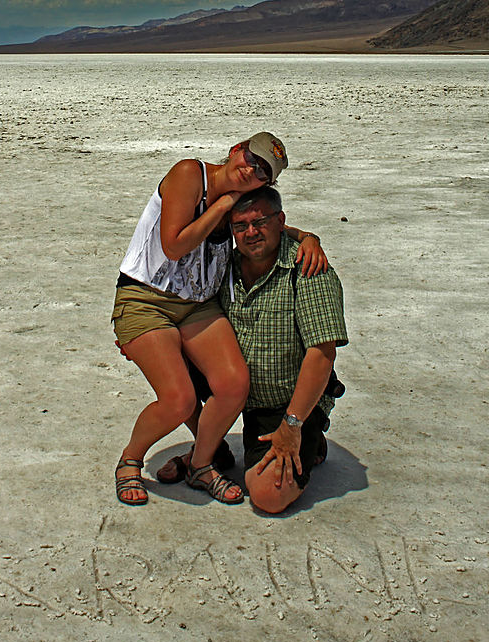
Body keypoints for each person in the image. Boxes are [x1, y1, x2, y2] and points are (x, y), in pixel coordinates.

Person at [112, 133, 326, 507]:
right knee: (178, 399)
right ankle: (130, 460)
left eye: (263, 172)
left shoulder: (240, 202)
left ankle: (200, 465)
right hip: (147, 300)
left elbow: (268, 225)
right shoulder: (189, 175)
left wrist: (308, 237)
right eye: (250, 158)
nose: (251, 170)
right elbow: (174, 245)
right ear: (236, 149)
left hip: (198, 304)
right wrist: (221, 205)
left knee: (233, 384)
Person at [156, 186, 348, 514]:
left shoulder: (307, 268)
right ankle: (210, 447)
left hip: (284, 404)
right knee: (161, 349)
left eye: (260, 222)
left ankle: (309, 435)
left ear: (280, 221)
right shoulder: (224, 266)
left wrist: (292, 425)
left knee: (267, 495)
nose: (251, 232)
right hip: (235, 389)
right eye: (240, 226)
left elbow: (322, 355)